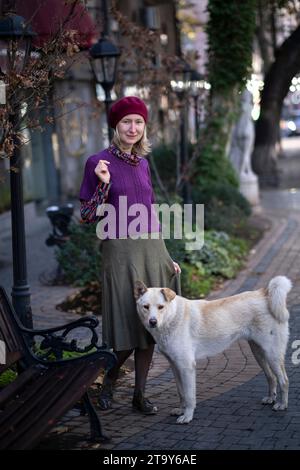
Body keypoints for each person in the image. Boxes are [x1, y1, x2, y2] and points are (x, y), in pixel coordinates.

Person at [79, 96, 181, 414]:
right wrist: (104, 185)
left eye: (138, 122)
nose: (133, 128)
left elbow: (150, 213)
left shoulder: (143, 163)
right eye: (126, 122)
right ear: (116, 125)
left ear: (144, 127)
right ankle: (108, 382)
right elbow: (87, 214)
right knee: (126, 326)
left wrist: (165, 256)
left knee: (149, 328)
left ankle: (139, 394)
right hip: (119, 251)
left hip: (150, 248)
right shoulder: (99, 162)